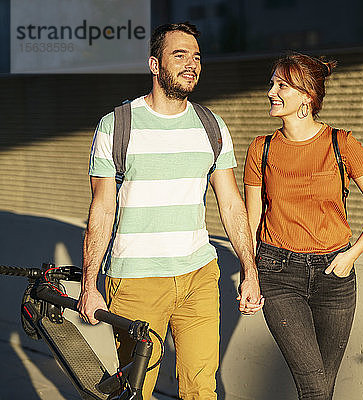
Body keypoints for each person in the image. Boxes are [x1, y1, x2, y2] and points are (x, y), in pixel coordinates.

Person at [78, 22, 263, 400]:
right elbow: (101, 209)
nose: (191, 64)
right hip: (136, 281)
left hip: (199, 276)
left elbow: (230, 204)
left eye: (196, 57)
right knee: (136, 391)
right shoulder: (117, 126)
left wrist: (250, 270)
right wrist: (89, 285)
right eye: (179, 55)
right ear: (154, 64)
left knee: (201, 389)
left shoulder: (212, 126)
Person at [243, 52, 363, 400]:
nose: (271, 92)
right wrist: (249, 273)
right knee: (313, 385)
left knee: (323, 387)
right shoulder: (261, 150)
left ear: (307, 96)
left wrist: (352, 255)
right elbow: (251, 220)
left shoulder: (342, 143)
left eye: (282, 85)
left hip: (335, 275)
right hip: (278, 274)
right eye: (272, 84)